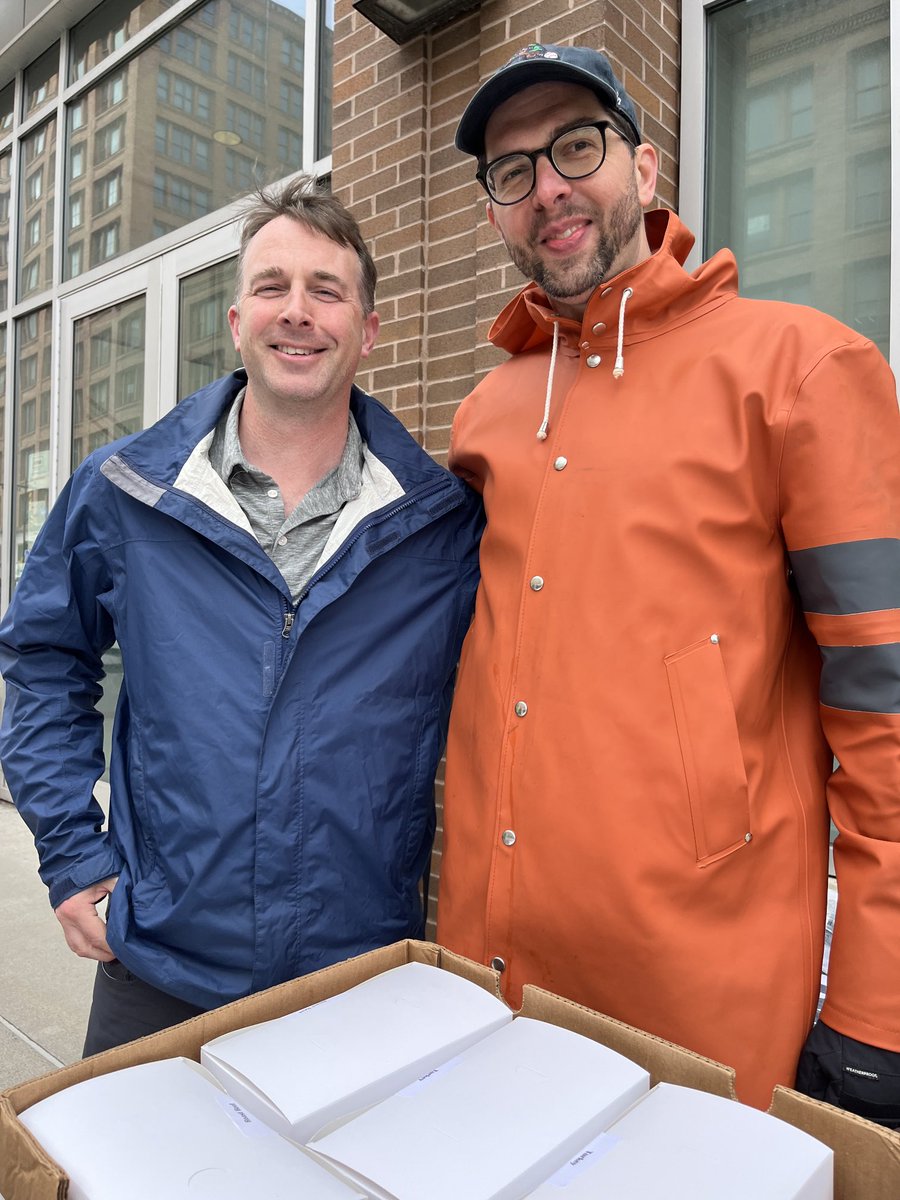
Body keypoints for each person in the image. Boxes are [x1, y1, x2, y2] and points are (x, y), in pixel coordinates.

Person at [437, 42, 900, 1121]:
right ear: (496, 212)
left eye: (576, 147)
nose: (547, 187)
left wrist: (878, 1007)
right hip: (489, 985)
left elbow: (887, 708)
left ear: (645, 172)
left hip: (704, 1010)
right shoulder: (486, 414)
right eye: (511, 171)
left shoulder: (802, 370)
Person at [0, 176, 483, 1056]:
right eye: (272, 287)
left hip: (361, 980)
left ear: (367, 332)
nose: (297, 311)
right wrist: (73, 853)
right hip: (159, 969)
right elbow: (42, 658)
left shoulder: (441, 525)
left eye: (326, 291)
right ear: (236, 323)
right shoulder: (125, 493)